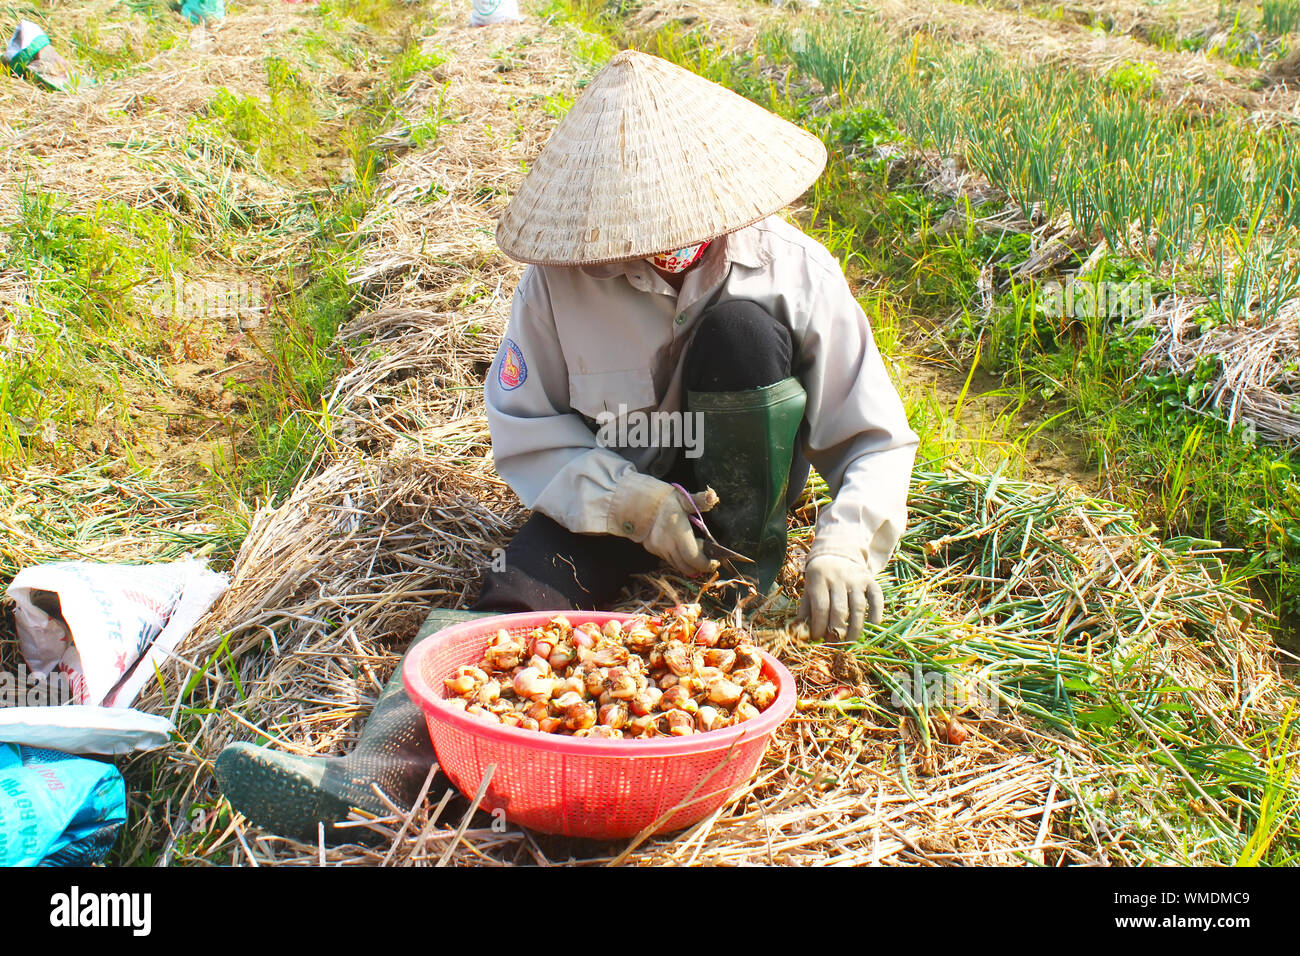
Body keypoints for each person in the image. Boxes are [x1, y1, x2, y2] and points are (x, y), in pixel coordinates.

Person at [214, 49, 918, 839]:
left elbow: (876, 439)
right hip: (612, 498)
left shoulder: (792, 272)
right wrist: (629, 502)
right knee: (513, 604)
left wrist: (846, 547)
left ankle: (735, 578)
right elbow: (527, 426)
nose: (646, 249)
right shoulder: (559, 283)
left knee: (743, 333)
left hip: (741, 516)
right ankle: (378, 778)